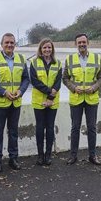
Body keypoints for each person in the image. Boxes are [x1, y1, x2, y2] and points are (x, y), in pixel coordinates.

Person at [0, 33, 30, 172]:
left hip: (15, 102)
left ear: (15, 44)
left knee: (13, 131)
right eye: (7, 43)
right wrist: (4, 92)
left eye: (12, 43)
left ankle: (13, 158)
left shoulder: (21, 59)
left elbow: (26, 79)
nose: (9, 45)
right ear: (1, 44)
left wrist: (20, 92)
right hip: (0, 102)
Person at [63, 33, 101, 165]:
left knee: (92, 128)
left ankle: (93, 156)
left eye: (84, 42)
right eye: (79, 42)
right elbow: (65, 78)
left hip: (91, 98)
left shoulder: (97, 58)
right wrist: (74, 88)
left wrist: (94, 88)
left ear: (88, 43)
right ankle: (73, 156)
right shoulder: (69, 59)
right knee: (75, 128)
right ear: (75, 44)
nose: (82, 44)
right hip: (76, 98)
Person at [29, 38, 62, 166]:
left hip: (53, 101)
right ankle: (40, 155)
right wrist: (49, 92)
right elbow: (34, 81)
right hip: (39, 101)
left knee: (49, 128)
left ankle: (48, 155)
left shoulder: (58, 63)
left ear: (52, 49)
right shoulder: (34, 63)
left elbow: (58, 82)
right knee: (39, 128)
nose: (47, 49)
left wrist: (51, 98)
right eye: (44, 47)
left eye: (49, 47)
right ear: (40, 49)